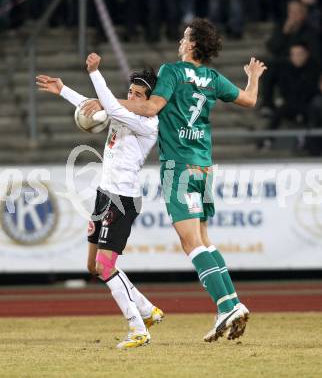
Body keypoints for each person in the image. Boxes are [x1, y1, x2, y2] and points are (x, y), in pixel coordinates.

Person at [86, 18, 266, 342]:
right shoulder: (212, 78)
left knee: (190, 242)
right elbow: (250, 100)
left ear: (194, 44)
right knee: (204, 239)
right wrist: (252, 78)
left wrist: (109, 104)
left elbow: (152, 107)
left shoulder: (172, 72)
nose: (180, 42)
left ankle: (227, 306)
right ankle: (230, 303)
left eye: (185, 37)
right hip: (204, 166)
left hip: (178, 167)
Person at [36, 63, 164, 350]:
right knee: (93, 266)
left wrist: (94, 73)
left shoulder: (146, 123)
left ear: (150, 100)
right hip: (104, 194)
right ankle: (148, 310)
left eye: (137, 94)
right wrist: (62, 90)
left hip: (122, 200)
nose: (131, 96)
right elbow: (94, 106)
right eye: (129, 91)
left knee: (106, 266)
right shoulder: (124, 112)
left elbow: (108, 104)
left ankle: (138, 328)